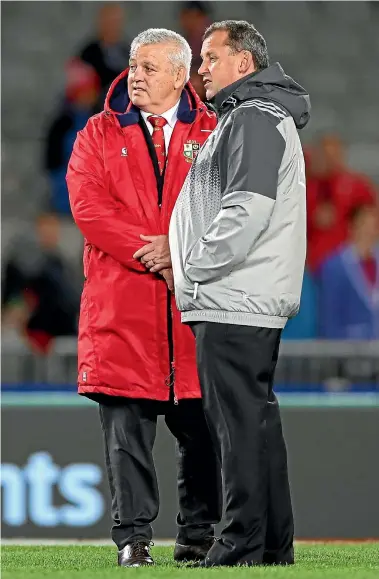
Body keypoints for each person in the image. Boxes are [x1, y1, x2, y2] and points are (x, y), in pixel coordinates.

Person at [66, 29, 221, 568]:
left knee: (202, 433)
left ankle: (199, 537)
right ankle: (133, 540)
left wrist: (177, 251)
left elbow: (231, 208)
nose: (136, 75)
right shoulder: (97, 134)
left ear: (181, 76)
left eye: (150, 67)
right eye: (134, 65)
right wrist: (154, 251)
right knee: (126, 436)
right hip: (124, 311)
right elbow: (88, 209)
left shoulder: (215, 132)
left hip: (193, 310)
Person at [170, 20, 311, 567]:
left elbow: (246, 209)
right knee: (255, 424)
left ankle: (239, 545)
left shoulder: (251, 118)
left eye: (209, 57)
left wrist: (196, 268)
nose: (201, 68)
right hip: (245, 297)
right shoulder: (258, 117)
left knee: (235, 431)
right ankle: (273, 545)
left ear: (243, 64)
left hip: (233, 295)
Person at [2, 213, 79, 354]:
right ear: (38, 231)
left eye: (54, 230)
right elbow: (18, 297)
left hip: (63, 331)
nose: (50, 234)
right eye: (46, 230)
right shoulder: (24, 264)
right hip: (34, 333)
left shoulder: (60, 263)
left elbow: (69, 299)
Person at [306, 133, 377, 271]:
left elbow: (372, 219)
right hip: (314, 267)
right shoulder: (308, 189)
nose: (330, 159)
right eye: (325, 155)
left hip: (349, 267)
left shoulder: (357, 186)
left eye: (334, 154)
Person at [45, 58, 100, 215]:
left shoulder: (99, 119)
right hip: (65, 190)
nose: (88, 97)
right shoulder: (62, 123)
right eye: (84, 92)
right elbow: (53, 160)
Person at [318, 203, 379, 339]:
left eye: (373, 226)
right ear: (352, 227)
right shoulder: (334, 267)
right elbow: (329, 317)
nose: (369, 231)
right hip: (349, 351)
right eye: (364, 225)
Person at [78, 2, 130, 110]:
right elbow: (83, 94)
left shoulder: (127, 51)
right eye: (109, 21)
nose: (112, 26)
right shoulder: (89, 53)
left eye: (115, 21)